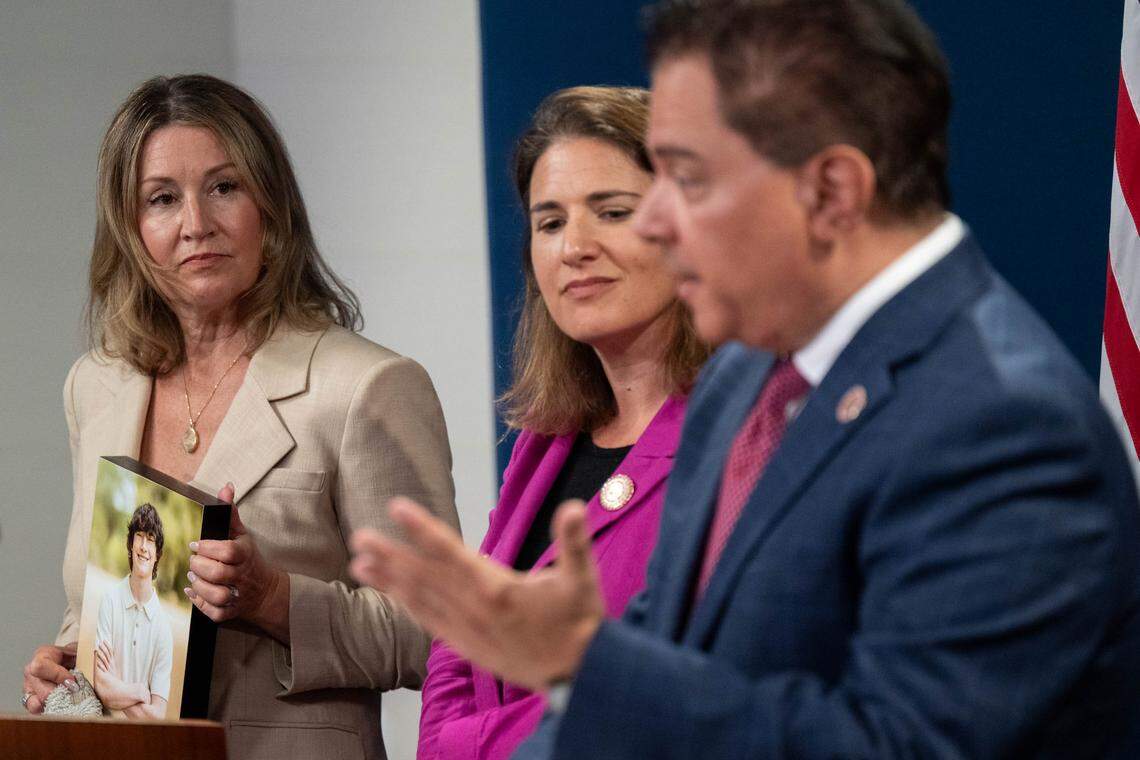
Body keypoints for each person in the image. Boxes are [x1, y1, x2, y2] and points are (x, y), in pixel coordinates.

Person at [349, 1, 1140, 757]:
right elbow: (673, 657)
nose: (658, 222)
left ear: (831, 192)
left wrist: (581, 664)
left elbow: (900, 746)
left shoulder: (1004, 424)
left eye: (688, 179)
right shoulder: (748, 384)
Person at [20, 74, 458, 760]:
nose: (197, 223)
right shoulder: (96, 385)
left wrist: (273, 597)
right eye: (162, 199)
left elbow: (438, 633)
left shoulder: (367, 386)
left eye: (225, 187)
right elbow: (103, 601)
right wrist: (68, 660)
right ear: (132, 229)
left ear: (271, 205)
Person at [416, 85, 707, 760]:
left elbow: (669, 673)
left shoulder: (737, 441)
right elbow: (461, 642)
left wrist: (478, 747)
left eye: (611, 212)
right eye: (549, 223)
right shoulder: (544, 439)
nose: (574, 246)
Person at [92, 503, 174, 719]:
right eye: (139, 536)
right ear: (130, 544)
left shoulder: (163, 629)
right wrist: (138, 691)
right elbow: (100, 685)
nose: (144, 547)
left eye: (151, 539)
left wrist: (115, 685)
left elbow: (157, 718)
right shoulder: (110, 601)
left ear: (158, 555)